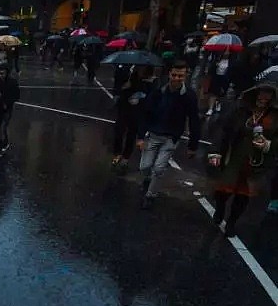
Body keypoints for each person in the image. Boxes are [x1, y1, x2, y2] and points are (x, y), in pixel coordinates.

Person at [208, 84, 278, 236]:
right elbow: (223, 130)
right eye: (261, 92)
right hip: (234, 157)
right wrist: (215, 152)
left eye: (268, 94)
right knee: (222, 191)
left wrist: (268, 144)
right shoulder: (241, 110)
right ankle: (220, 210)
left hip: (256, 162)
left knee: (243, 195)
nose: (263, 97)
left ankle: (232, 223)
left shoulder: (275, 116)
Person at [137, 59, 200, 209]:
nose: (177, 79)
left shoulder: (189, 96)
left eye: (181, 76)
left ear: (185, 76)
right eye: (174, 75)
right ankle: (147, 180)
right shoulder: (158, 91)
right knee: (144, 167)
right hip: (153, 134)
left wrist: (193, 145)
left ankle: (150, 195)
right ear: (169, 74)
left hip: (170, 138)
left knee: (159, 168)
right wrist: (140, 136)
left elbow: (194, 120)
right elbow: (145, 113)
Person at [112, 65, 155, 173]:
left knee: (131, 135)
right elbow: (118, 88)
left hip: (137, 112)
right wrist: (124, 88)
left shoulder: (149, 80)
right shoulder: (127, 73)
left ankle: (125, 158)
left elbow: (150, 96)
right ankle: (117, 154)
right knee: (119, 131)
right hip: (124, 109)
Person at [0, 63, 20, 157]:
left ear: (7, 73)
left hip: (7, 108)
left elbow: (17, 96)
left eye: (3, 73)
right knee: (1, 127)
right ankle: (5, 142)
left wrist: (8, 101)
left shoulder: (12, 82)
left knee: (3, 126)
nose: (1, 75)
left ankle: (0, 147)